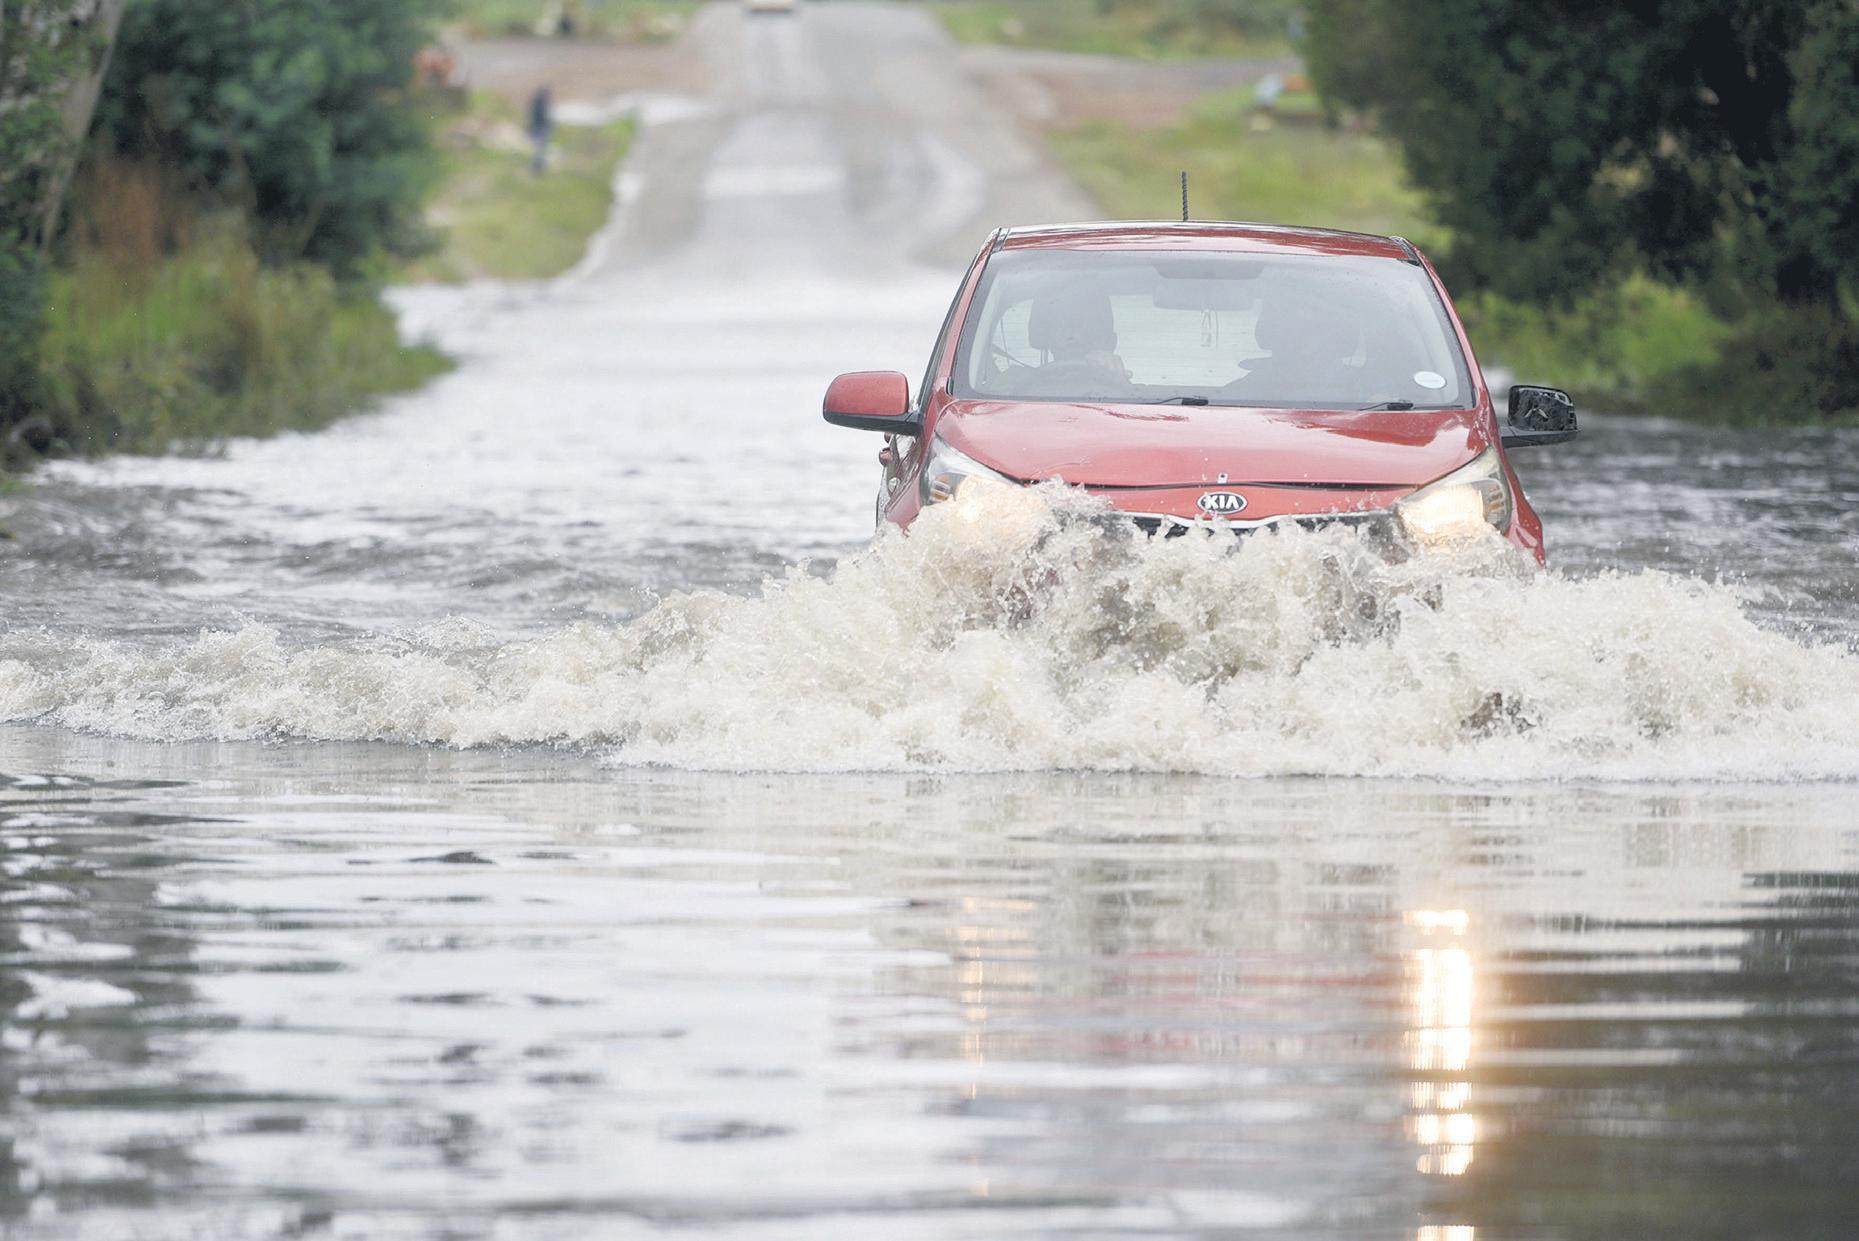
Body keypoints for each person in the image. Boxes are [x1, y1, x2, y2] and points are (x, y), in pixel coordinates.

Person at [527, 86, 554, 176]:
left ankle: (538, 168)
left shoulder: (537, 103)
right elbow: (542, 117)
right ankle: (538, 168)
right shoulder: (540, 104)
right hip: (540, 128)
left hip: (538, 128)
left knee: (539, 150)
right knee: (539, 150)